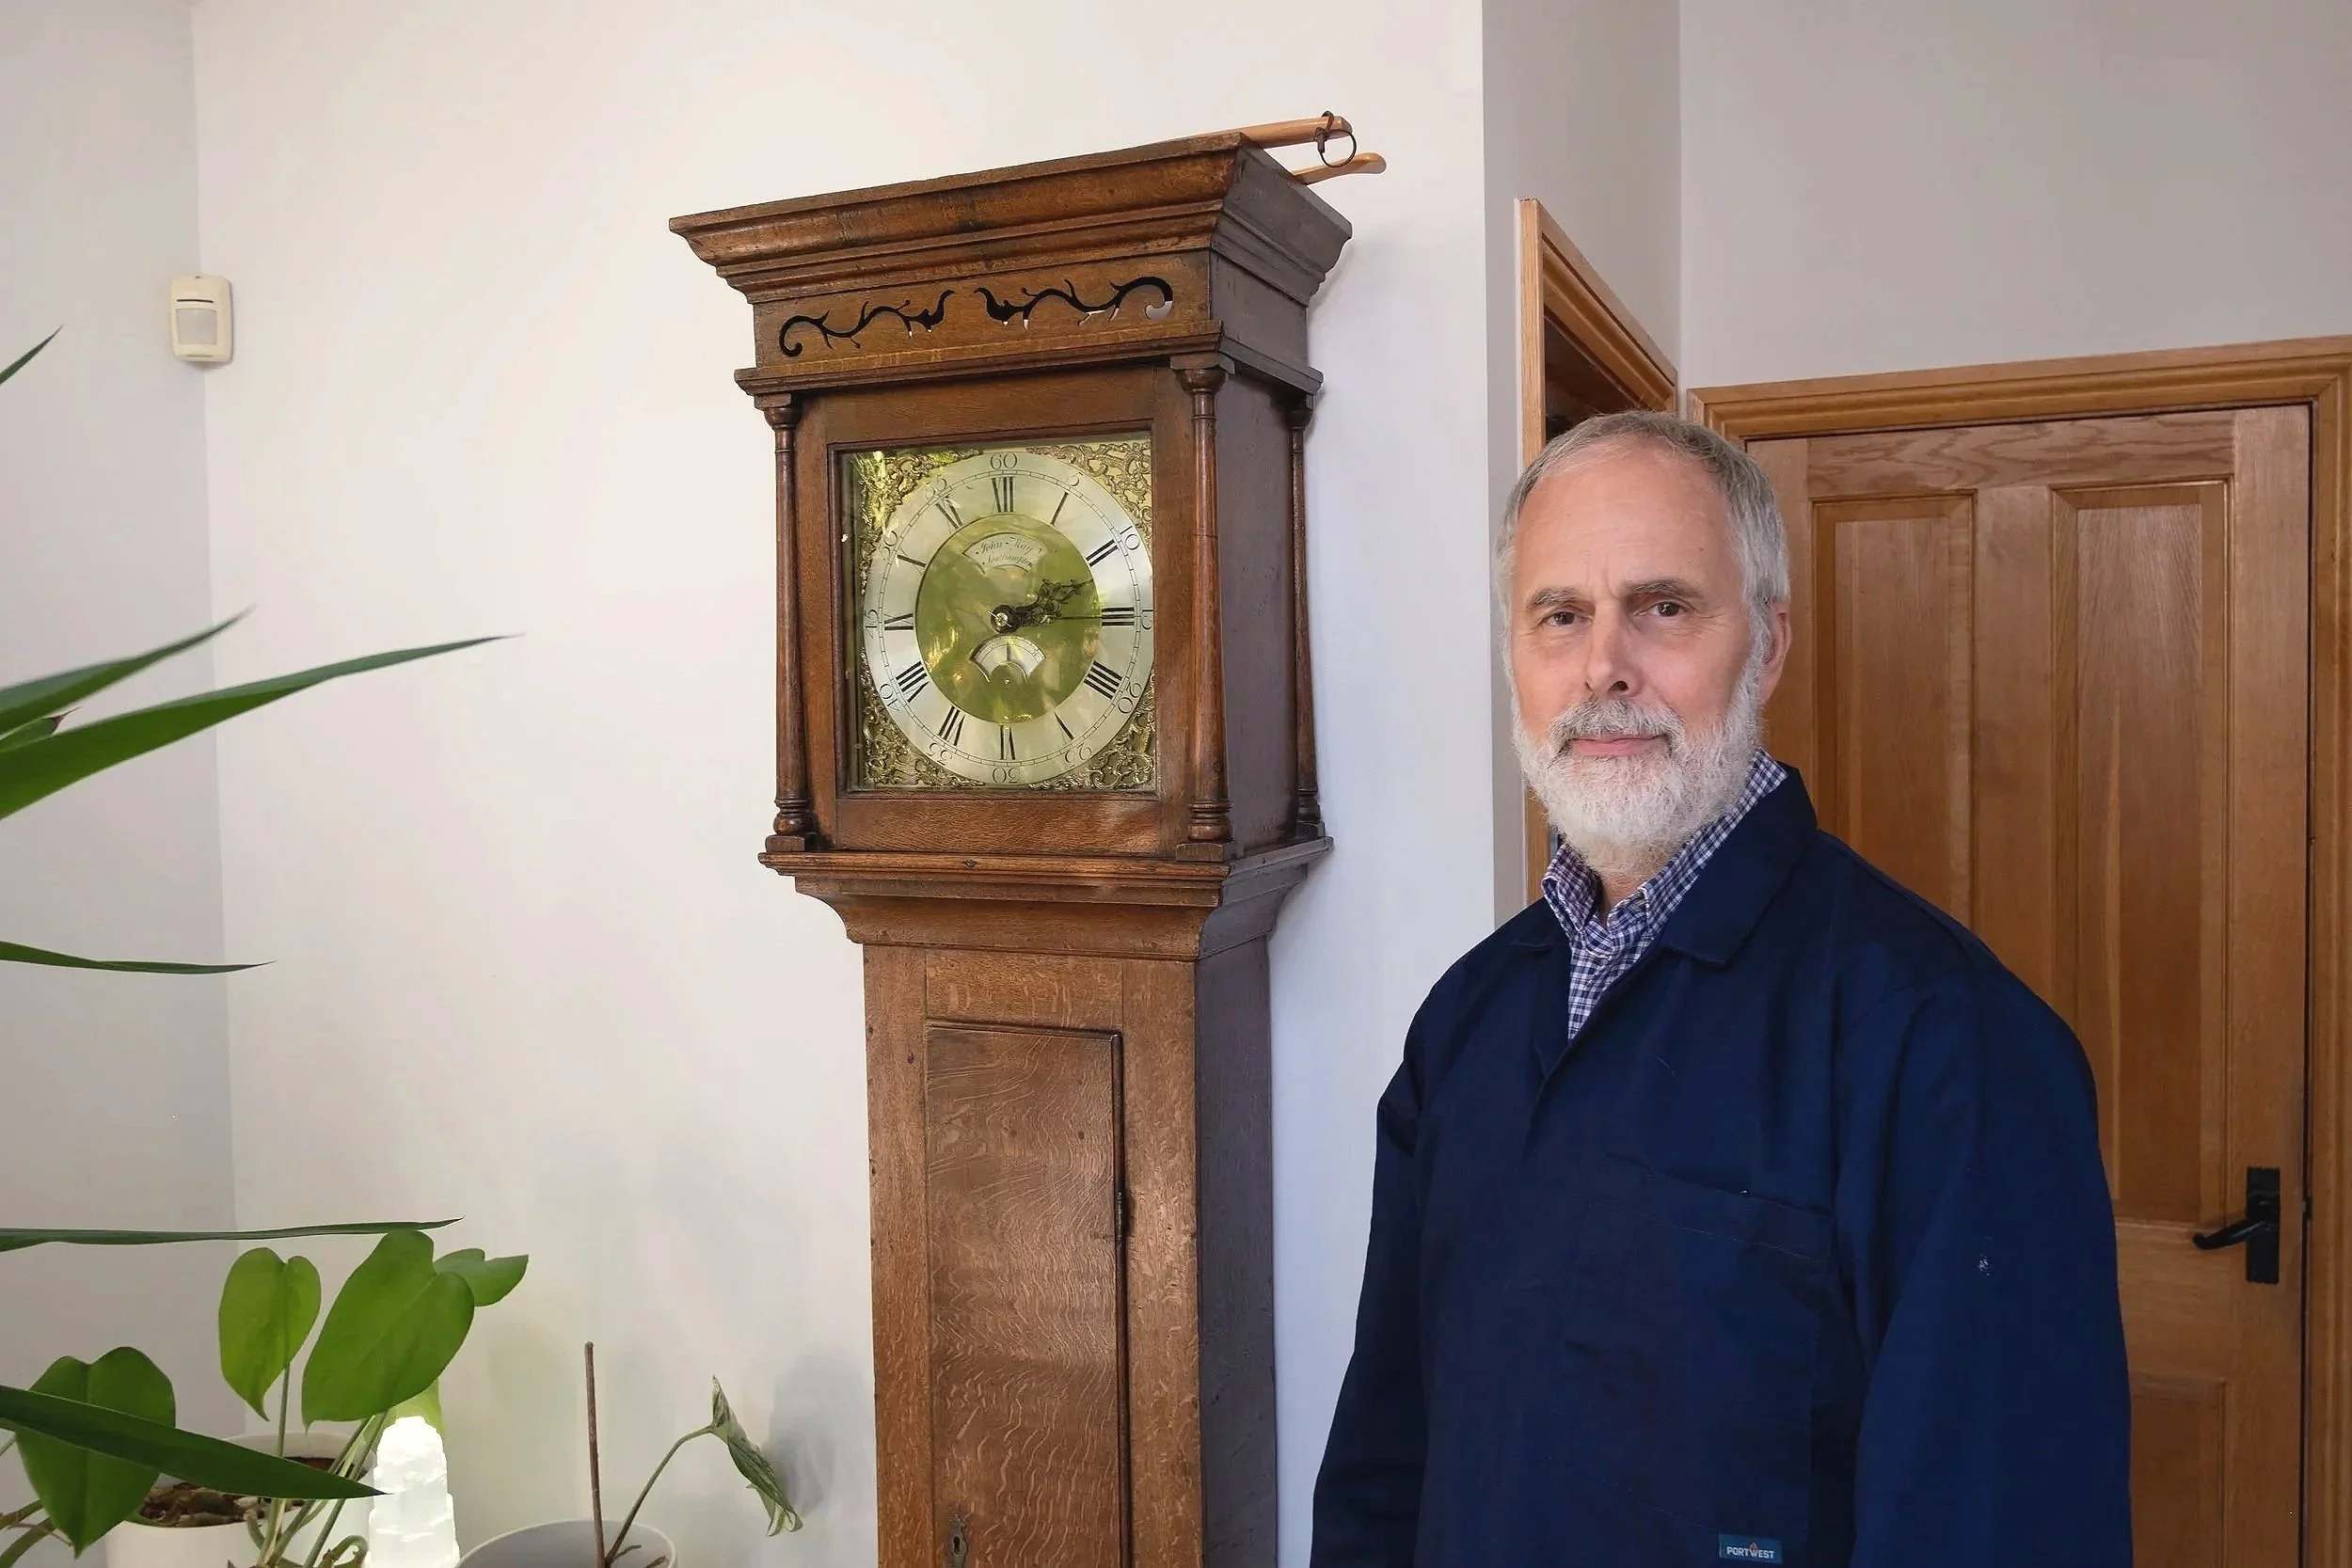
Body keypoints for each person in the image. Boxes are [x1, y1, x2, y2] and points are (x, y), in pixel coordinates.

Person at [1310, 412, 2131, 1567]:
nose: (1603, 666)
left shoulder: (1948, 1042)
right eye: (1559, 616)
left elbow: (2001, 1522)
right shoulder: (1465, 1024)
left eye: (1663, 606)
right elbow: (1385, 1459)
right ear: (1515, 655)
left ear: (1768, 645)